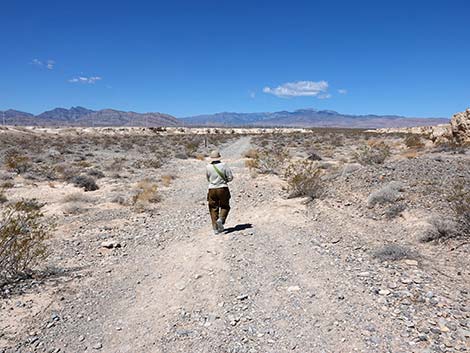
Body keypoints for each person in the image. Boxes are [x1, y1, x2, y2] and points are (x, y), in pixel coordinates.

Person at [206, 150, 233, 234]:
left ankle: (215, 228)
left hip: (211, 189)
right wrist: (225, 180)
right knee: (225, 206)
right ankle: (221, 219)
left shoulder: (208, 167)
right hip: (222, 188)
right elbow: (230, 177)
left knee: (213, 208)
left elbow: (208, 178)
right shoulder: (224, 165)